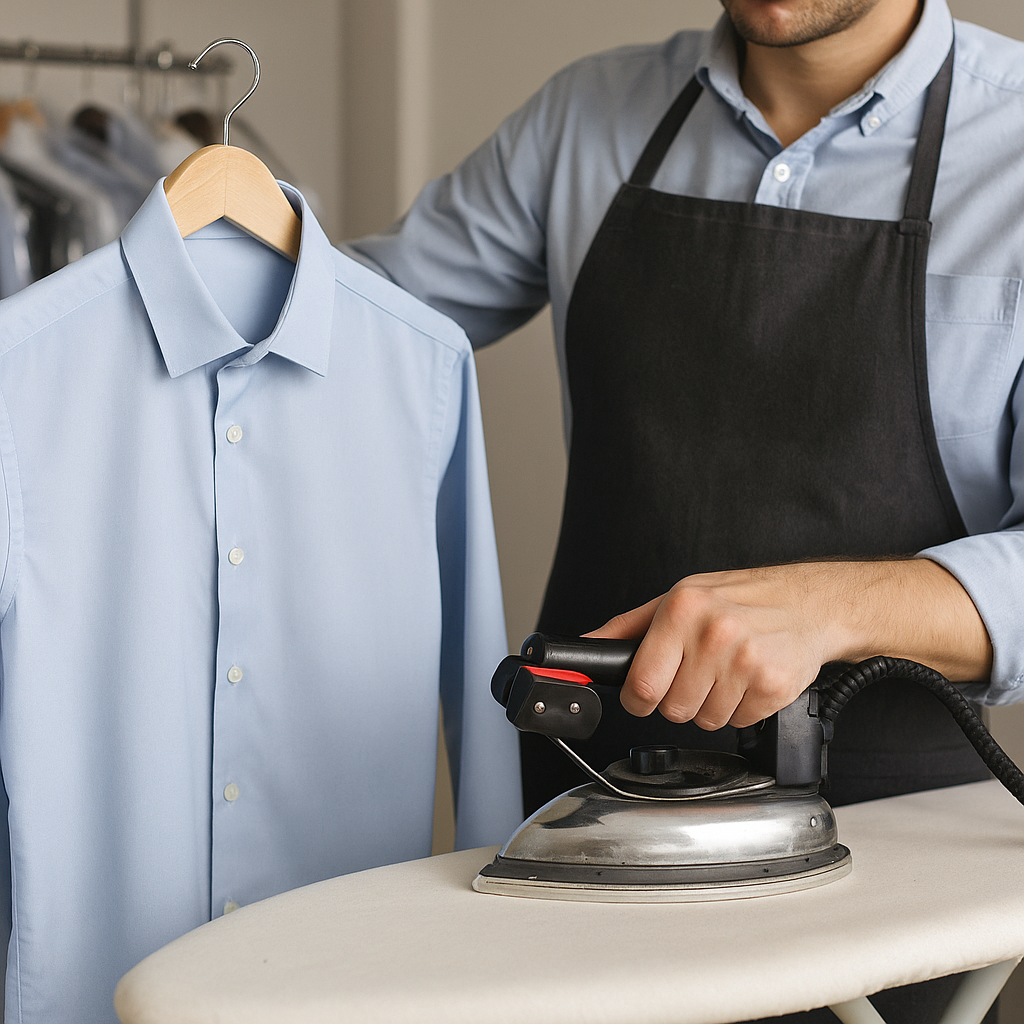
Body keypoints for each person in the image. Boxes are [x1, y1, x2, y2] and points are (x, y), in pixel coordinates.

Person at [347, 1, 1024, 1019]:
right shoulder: (586, 116)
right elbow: (357, 327)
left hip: (893, 862)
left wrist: (832, 608)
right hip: (587, 817)